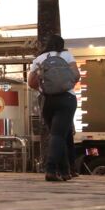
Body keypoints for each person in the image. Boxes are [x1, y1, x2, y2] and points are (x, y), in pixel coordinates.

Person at [28, 35, 80, 182]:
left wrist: (43, 87)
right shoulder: (66, 55)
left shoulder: (39, 59)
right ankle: (50, 170)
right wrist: (65, 83)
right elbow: (76, 75)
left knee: (57, 135)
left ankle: (64, 172)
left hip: (48, 101)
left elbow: (31, 83)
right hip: (66, 99)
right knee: (59, 135)